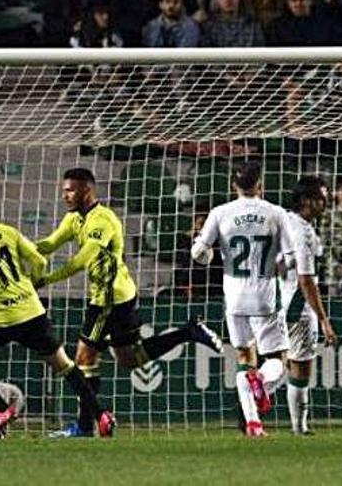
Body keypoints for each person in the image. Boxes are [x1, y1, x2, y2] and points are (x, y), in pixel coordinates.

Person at [37, 168, 223, 438]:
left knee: (84, 357)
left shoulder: (103, 220)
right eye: (64, 189)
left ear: (87, 190)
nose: (64, 195)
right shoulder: (74, 218)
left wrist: (47, 279)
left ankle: (86, 425)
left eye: (70, 190)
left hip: (109, 299)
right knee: (129, 359)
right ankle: (188, 331)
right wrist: (19, 248)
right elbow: (50, 243)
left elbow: (81, 260)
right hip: (117, 296)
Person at [0, 189, 114, 438]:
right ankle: (102, 415)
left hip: (4, 320)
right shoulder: (7, 231)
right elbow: (40, 261)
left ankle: (0, 409)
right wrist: (34, 281)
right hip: (34, 313)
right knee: (66, 366)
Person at [191, 161, 294, 437]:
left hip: (234, 298)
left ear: (232, 185)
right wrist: (279, 265)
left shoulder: (220, 213)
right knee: (278, 360)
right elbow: (291, 258)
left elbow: (197, 254)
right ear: (261, 184)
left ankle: (253, 423)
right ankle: (260, 380)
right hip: (264, 297)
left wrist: (210, 255)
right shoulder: (276, 213)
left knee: (244, 356)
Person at [278, 176, 339, 435]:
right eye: (320, 198)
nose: (325, 202)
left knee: (284, 363)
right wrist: (324, 320)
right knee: (301, 366)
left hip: (280, 302)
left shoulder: (286, 221)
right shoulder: (301, 231)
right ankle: (298, 427)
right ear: (305, 200)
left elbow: (278, 264)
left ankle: (251, 396)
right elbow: (307, 281)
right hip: (298, 307)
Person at [202, 0, 266, 47]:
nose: (228, 0)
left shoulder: (252, 24)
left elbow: (260, 51)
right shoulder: (209, 26)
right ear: (218, 0)